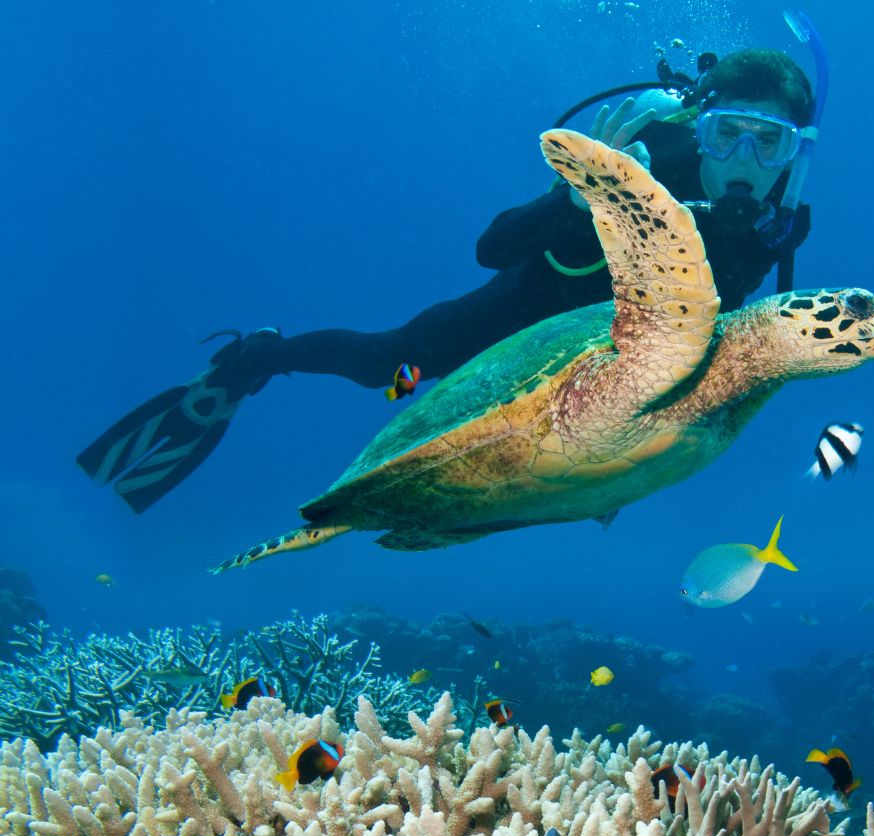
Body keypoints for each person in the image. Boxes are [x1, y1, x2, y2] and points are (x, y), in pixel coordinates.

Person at [79, 30, 826, 513]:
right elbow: (493, 247)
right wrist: (579, 198)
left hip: (605, 370)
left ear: (798, 151)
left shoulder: (781, 220)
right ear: (701, 127)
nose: (745, 162)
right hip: (520, 314)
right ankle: (255, 358)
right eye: (728, 134)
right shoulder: (643, 166)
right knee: (388, 368)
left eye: (773, 144)